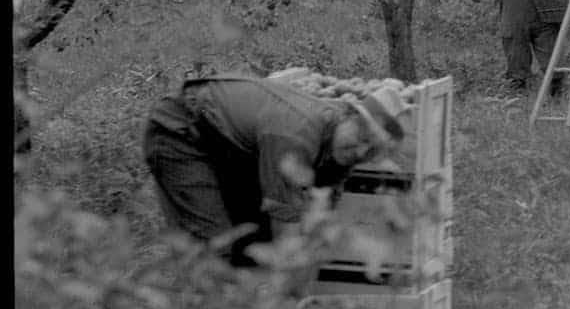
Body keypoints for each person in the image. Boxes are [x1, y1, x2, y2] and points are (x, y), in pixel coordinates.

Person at [142, 75, 406, 268]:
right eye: (362, 138)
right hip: (180, 132)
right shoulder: (296, 134)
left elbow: (322, 209)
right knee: (213, 245)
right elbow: (285, 225)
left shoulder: (339, 145)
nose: (361, 153)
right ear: (348, 115)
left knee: (250, 238)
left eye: (372, 151)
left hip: (225, 145)